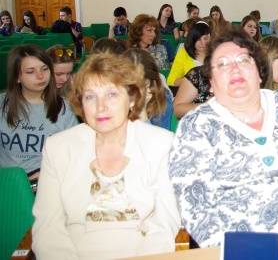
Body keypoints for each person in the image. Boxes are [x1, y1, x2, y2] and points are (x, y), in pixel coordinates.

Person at [169, 29, 278, 248]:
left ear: (259, 71)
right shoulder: (197, 125)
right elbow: (195, 206)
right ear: (211, 81)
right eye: (222, 64)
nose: (234, 68)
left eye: (243, 60)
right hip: (237, 249)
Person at [32, 54, 181, 258]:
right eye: (90, 97)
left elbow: (165, 224)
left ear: (132, 98)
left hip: (142, 253)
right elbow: (48, 228)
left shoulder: (161, 144)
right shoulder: (58, 148)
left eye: (112, 94)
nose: (100, 107)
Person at [0, 45, 78, 190]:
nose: (40, 76)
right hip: (7, 184)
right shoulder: (2, 105)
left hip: (49, 183)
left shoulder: (65, 108)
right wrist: (16, 180)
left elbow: (73, 155)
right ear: (17, 77)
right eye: (31, 71)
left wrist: (52, 177)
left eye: (45, 69)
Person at [123, 48, 173, 131]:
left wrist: (142, 111)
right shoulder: (112, 96)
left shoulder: (162, 98)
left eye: (143, 85)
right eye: (130, 86)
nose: (136, 91)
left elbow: (158, 138)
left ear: (152, 81)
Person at [167, 21, 211, 87]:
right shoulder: (183, 54)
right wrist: (191, 79)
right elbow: (171, 81)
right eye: (198, 39)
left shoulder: (217, 53)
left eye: (206, 38)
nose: (203, 43)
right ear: (192, 39)